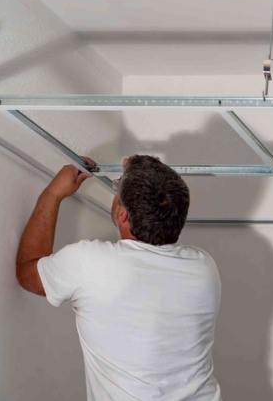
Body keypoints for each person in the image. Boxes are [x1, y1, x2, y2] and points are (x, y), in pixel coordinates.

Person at [15, 155, 222, 400]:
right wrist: (144, 172)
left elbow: (27, 271)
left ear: (123, 215)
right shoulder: (204, 268)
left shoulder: (90, 262)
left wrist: (53, 194)